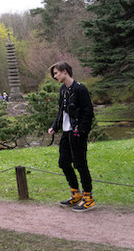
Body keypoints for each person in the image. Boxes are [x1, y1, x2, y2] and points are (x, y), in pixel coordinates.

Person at [48, 61, 96, 211]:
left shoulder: (80, 89)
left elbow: (89, 113)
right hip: (66, 132)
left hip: (77, 133)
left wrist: (81, 131)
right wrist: (55, 126)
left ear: (64, 71)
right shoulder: (63, 90)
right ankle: (76, 194)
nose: (55, 76)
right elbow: (61, 111)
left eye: (56, 73)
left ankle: (88, 197)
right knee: (63, 162)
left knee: (80, 164)